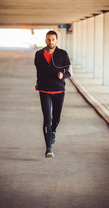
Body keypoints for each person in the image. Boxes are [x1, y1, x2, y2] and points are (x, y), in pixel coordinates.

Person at [34, 30, 71, 158]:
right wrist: (38, 82)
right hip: (44, 90)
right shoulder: (39, 54)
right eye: (49, 39)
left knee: (56, 118)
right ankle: (48, 147)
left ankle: (53, 130)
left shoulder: (62, 54)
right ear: (45, 40)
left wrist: (63, 75)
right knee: (47, 118)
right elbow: (38, 71)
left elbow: (70, 71)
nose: (51, 42)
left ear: (57, 40)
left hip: (59, 90)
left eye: (53, 39)